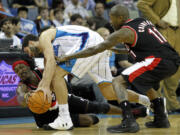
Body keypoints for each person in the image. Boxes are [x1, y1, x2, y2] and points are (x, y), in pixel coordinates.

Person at [55, 4, 180, 133]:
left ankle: (128, 121)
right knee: (144, 82)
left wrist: (68, 56)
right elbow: (141, 46)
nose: (110, 21)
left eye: (112, 18)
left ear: (120, 18)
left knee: (117, 82)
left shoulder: (124, 32)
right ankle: (161, 118)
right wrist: (114, 49)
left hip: (157, 60)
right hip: (172, 59)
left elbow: (95, 49)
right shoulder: (143, 21)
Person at [22, 24, 150, 130]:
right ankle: (145, 101)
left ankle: (64, 119)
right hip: (97, 44)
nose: (30, 56)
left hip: (88, 42)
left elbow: (51, 66)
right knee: (109, 92)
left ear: (31, 42)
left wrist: (43, 86)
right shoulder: (47, 54)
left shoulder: (44, 36)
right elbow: (47, 76)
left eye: (27, 51)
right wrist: (41, 92)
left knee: (57, 75)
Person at [12, 58, 148, 129]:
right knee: (90, 120)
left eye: (21, 67)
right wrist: (25, 97)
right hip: (46, 116)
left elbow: (61, 83)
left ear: (29, 66)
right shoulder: (23, 86)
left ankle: (130, 113)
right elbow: (20, 97)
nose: (20, 71)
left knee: (99, 107)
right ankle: (74, 118)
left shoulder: (44, 72)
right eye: (17, 70)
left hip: (62, 101)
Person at [137, 0, 180, 113]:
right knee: (160, 66)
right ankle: (157, 103)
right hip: (162, 29)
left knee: (176, 67)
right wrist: (157, 20)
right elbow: (141, 4)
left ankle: (172, 104)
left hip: (178, 32)